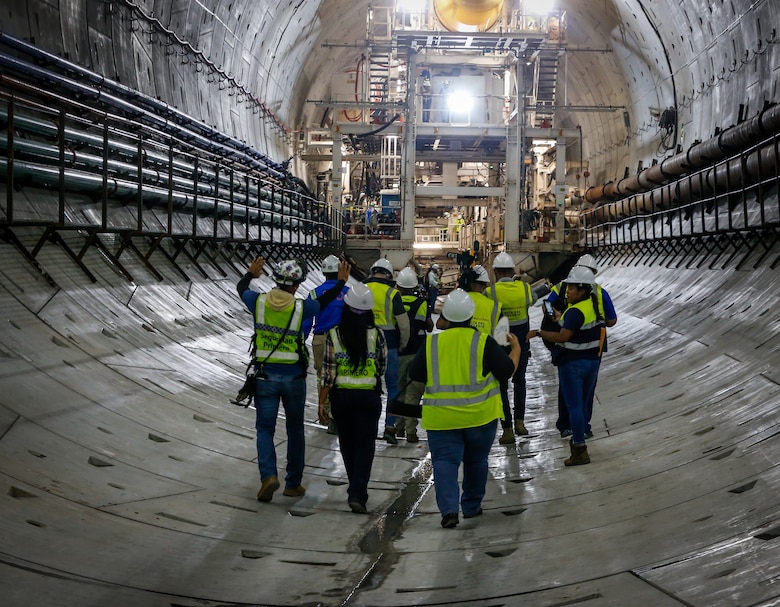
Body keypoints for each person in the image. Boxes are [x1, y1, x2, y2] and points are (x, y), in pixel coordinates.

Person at [237, 256, 350, 503]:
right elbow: (324, 302)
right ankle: (292, 484)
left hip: (265, 377)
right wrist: (341, 284)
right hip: (294, 378)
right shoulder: (301, 307)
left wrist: (251, 274)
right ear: (297, 285)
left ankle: (268, 476)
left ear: (275, 280)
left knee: (265, 429)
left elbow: (241, 289)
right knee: (295, 430)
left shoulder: (258, 303)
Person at [409, 289, 520, 528]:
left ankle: (449, 510)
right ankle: (471, 507)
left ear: (446, 318)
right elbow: (506, 372)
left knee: (445, 462)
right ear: (471, 317)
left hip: (441, 418)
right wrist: (516, 349)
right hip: (480, 417)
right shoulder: (483, 342)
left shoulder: (432, 343)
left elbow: (415, 373)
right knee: (476, 460)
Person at [318, 283, 387, 514]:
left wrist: (321, 403)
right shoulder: (377, 335)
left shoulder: (334, 335)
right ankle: (358, 493)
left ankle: (355, 489)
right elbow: (382, 366)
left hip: (342, 399)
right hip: (369, 399)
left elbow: (328, 374)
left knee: (347, 445)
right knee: (366, 446)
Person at [527, 266, 607, 466]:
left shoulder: (575, 312)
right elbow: (577, 326)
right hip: (592, 362)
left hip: (573, 363)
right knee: (583, 401)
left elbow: (563, 336)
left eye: (572, 288)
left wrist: (539, 333)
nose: (568, 291)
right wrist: (559, 319)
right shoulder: (592, 306)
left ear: (582, 290)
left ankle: (579, 448)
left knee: (574, 407)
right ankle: (581, 438)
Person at [545, 254, 617, 437]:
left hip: (567, 345)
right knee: (587, 390)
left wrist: (555, 318)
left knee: (567, 388)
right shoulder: (600, 292)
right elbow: (612, 320)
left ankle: (566, 425)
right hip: (594, 346)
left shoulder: (562, 287)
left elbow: (546, 304)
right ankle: (583, 427)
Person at [484, 252, 536, 441]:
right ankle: (520, 423)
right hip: (521, 344)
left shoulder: (491, 292)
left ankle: (507, 430)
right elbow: (533, 300)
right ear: (512, 270)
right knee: (520, 382)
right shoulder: (524, 288)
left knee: (502, 387)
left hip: (500, 346)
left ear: (495, 272)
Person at [301, 254, 350, 435]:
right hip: (342, 340)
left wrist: (301, 343)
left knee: (323, 377)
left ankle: (328, 415)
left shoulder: (314, 293)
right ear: (339, 271)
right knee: (342, 377)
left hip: (321, 340)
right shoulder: (347, 292)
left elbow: (306, 322)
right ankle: (341, 414)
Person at [365, 258, 410, 444]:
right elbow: (404, 325)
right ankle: (389, 427)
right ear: (389, 275)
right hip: (389, 346)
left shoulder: (359, 288)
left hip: (363, 346)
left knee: (368, 386)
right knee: (393, 387)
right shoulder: (392, 293)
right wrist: (402, 344)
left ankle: (367, 427)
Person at [394, 267, 433, 442]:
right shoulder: (421, 303)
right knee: (414, 392)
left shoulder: (394, 301)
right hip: (418, 353)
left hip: (399, 352)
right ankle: (411, 431)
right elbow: (427, 325)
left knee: (399, 390)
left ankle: (399, 427)